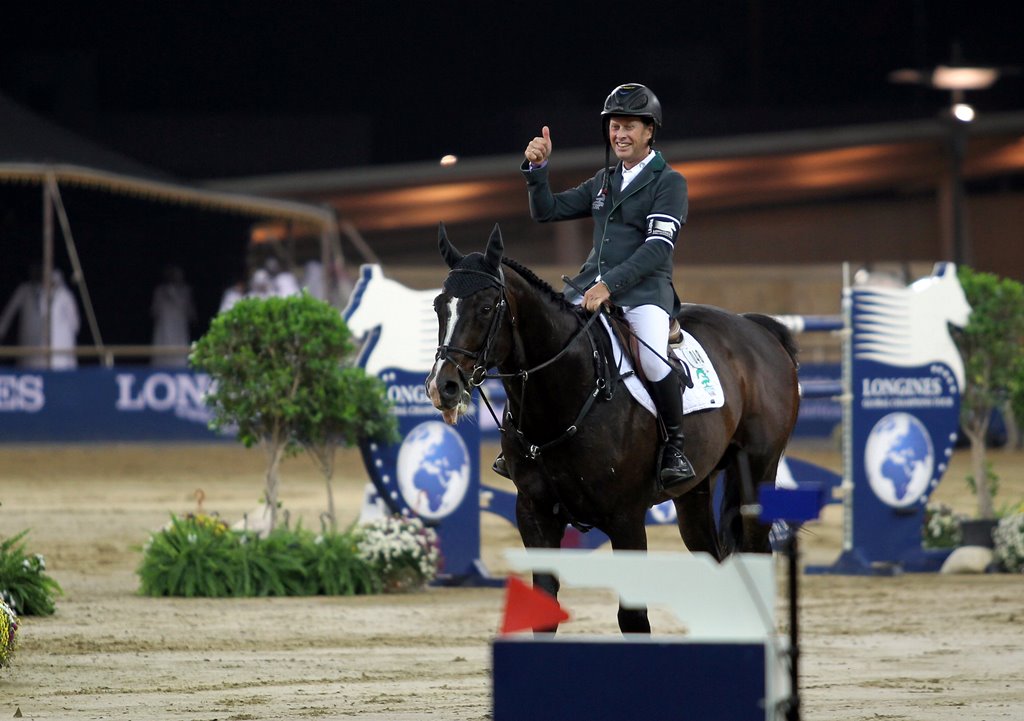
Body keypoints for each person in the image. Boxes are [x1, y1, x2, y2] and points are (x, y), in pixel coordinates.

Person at [494, 82, 696, 489]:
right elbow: (546, 211)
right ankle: (519, 439)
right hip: (588, 289)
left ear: (649, 131)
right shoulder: (604, 181)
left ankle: (675, 446)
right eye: (614, 126)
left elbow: (657, 248)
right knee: (541, 344)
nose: (620, 134)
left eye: (629, 127)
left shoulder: (669, 183)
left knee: (655, 361)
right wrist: (537, 171)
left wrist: (610, 284)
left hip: (644, 293)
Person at [0, 264, 45, 368]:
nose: (36, 275)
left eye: (39, 272)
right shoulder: (24, 290)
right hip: (27, 344)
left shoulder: (50, 292)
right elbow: (9, 312)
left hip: (44, 345)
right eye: (34, 272)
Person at [150, 265, 196, 367]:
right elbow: (154, 312)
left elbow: (191, 314)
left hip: (179, 331)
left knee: (180, 358)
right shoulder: (160, 291)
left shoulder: (185, 291)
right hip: (164, 332)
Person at [48, 269, 80, 370]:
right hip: (52, 338)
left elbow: (74, 321)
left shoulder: (66, 296)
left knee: (65, 364)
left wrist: (69, 331)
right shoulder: (45, 297)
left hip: (65, 338)